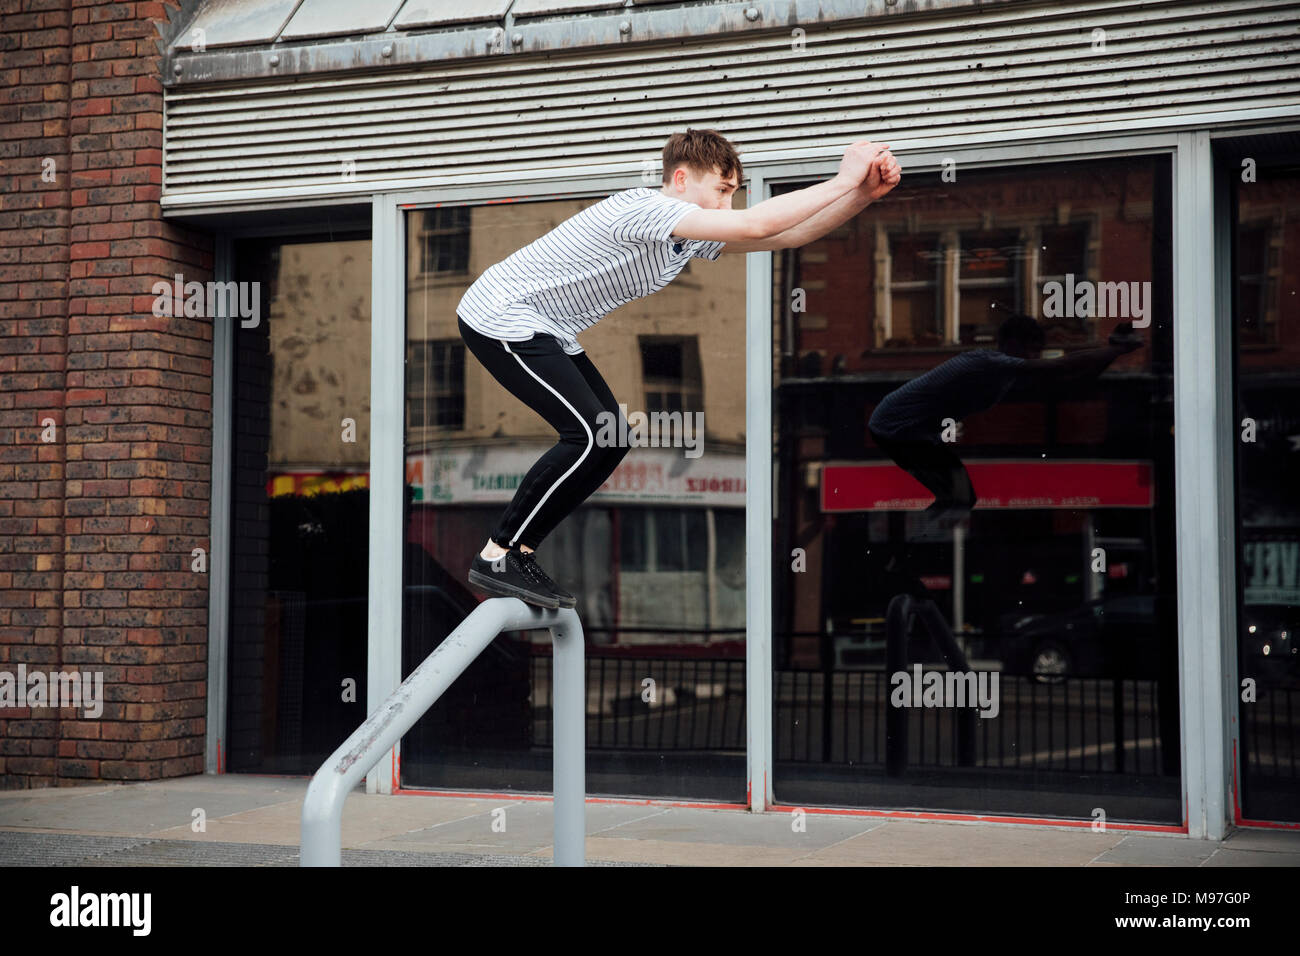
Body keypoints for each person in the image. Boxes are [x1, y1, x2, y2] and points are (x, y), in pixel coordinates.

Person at [457, 128, 902, 608]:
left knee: (610, 438)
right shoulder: (645, 209)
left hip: (547, 328)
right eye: (723, 192)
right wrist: (843, 178)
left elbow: (783, 235)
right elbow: (755, 225)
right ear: (683, 178)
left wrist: (861, 196)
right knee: (588, 434)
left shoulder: (683, 234)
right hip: (501, 315)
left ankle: (517, 552)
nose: (727, 209)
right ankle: (498, 553)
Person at [868, 312, 1145, 596]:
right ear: (1010, 344)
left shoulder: (1008, 376)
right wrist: (1115, 348)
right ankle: (898, 565)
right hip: (894, 426)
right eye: (1029, 350)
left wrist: (1114, 353)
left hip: (914, 431)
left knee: (961, 498)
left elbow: (1072, 382)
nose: (1033, 357)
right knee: (959, 496)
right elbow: (1060, 367)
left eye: (1037, 351)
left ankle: (900, 563)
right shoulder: (988, 362)